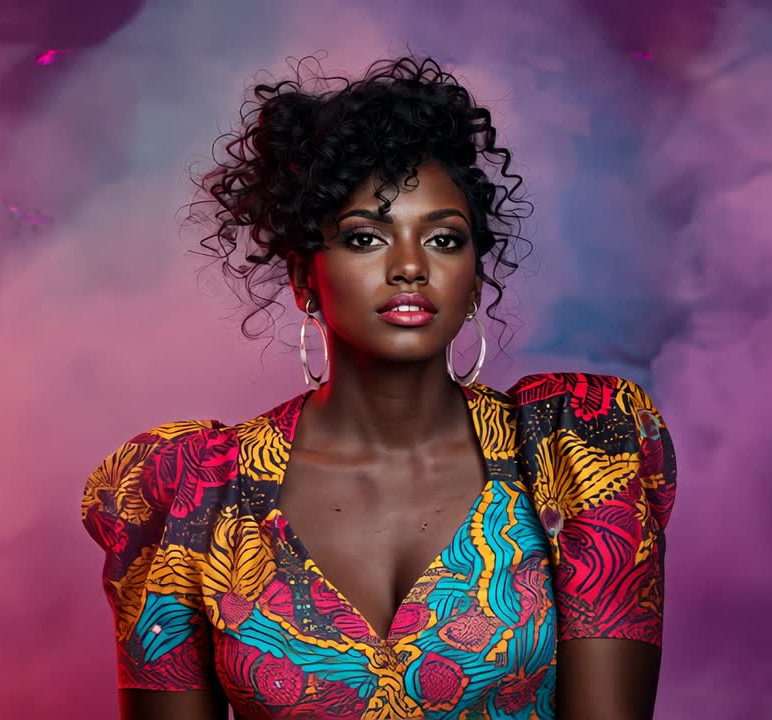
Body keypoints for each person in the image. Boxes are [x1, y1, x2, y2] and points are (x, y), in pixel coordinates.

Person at [81, 54, 678, 720]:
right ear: (305, 277)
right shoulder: (192, 491)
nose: (410, 267)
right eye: (366, 238)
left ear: (476, 277)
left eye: (445, 240)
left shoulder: (580, 449)